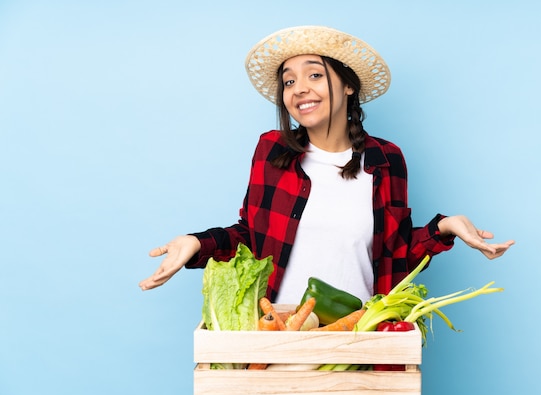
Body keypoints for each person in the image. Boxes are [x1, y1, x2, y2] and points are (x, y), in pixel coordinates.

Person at [138, 26, 514, 304]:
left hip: (359, 336)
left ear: (348, 85)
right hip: (277, 333)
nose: (298, 88)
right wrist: (195, 243)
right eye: (288, 81)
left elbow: (394, 253)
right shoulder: (271, 152)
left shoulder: (386, 160)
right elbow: (251, 239)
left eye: (314, 75)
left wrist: (445, 227)